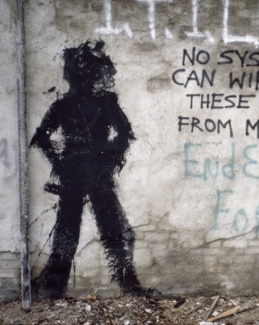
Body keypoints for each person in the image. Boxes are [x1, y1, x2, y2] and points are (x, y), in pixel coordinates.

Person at [31, 40, 154, 299]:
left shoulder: (68, 104)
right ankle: (125, 286)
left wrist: (60, 163)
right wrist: (108, 157)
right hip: (92, 173)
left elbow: (42, 137)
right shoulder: (98, 103)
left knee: (76, 232)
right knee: (102, 231)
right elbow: (124, 136)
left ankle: (55, 288)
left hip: (81, 173)